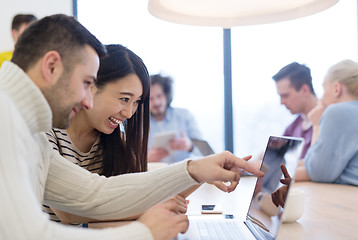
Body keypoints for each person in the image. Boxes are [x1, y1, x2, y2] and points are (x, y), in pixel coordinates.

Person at [0, 13, 263, 240]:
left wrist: (193, 169)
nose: (86, 99)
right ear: (52, 66)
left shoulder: (27, 127)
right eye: (85, 83)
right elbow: (29, 235)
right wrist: (145, 232)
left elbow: (94, 193)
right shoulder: (7, 116)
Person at [44, 44, 188, 225]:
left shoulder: (114, 139)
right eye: (125, 99)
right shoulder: (46, 132)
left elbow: (137, 186)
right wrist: (150, 205)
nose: (129, 113)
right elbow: (69, 212)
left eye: (136, 102)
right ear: (91, 86)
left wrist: (196, 174)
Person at [296, 59, 358, 186]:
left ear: (336, 89)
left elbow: (317, 171)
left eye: (324, 88)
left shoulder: (336, 112)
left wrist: (316, 125)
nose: (321, 97)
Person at [148, 73, 202, 163]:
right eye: (150, 98)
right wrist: (147, 159)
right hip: (155, 174)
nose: (156, 102)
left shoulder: (185, 115)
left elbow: (206, 152)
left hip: (185, 174)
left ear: (166, 95)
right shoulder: (140, 124)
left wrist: (190, 146)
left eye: (159, 96)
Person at [272, 62, 318, 158]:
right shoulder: (293, 127)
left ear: (305, 90)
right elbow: (274, 155)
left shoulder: (328, 122)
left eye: (285, 95)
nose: (282, 102)